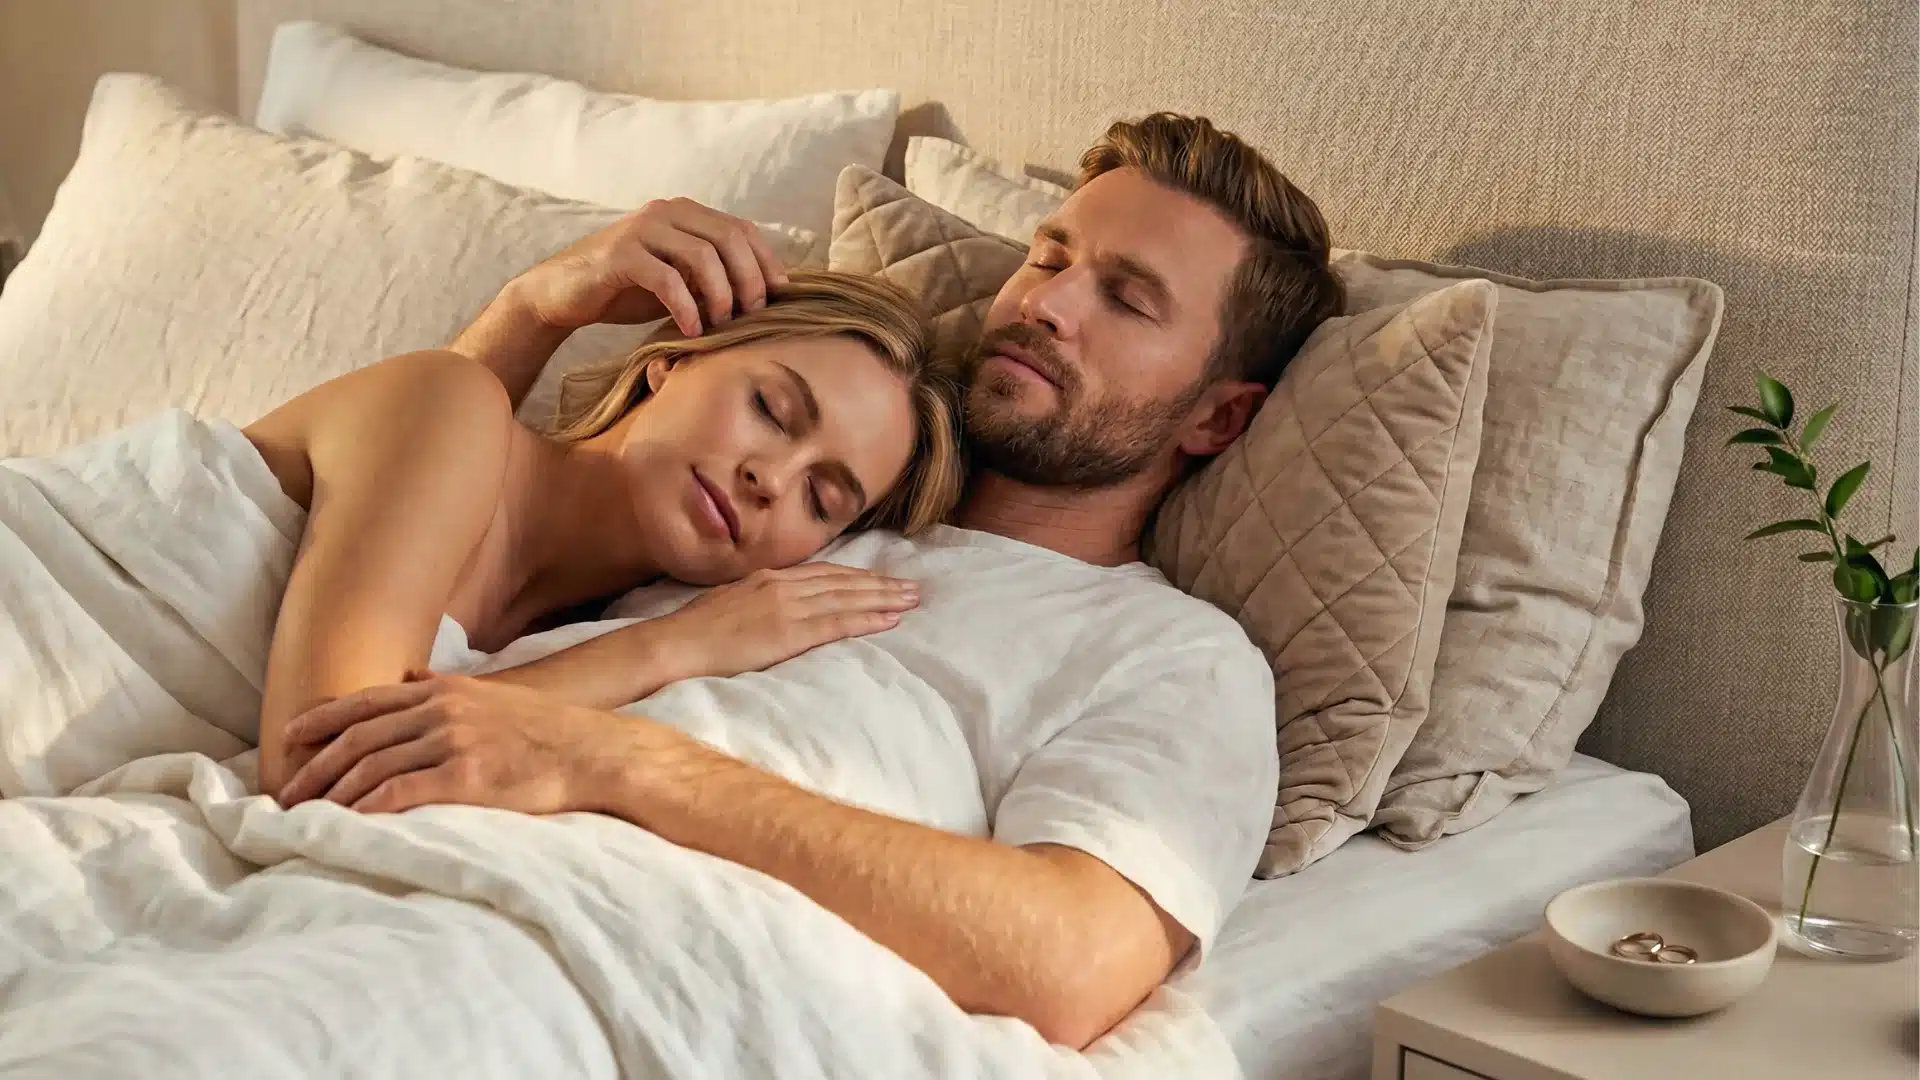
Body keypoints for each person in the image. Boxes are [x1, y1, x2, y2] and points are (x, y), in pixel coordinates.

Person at [276, 114, 1345, 1049]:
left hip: (567, 958)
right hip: (362, 847)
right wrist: (533, 312)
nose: (1047, 305)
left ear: (1217, 417)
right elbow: (455, 514)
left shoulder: (1176, 658)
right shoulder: (783, 506)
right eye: (1049, 255)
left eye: (1127, 298)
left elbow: (1069, 963)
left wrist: (625, 765)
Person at [244, 269, 965, 797]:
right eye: (771, 411)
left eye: (821, 497)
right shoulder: (451, 404)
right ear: (675, 359)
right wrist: (678, 644)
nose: (771, 481)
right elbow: (320, 763)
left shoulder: (566, 637)